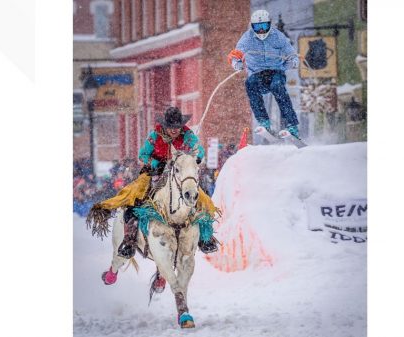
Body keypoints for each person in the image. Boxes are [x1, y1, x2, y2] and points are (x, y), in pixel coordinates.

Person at [88, 107, 219, 259]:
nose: (174, 130)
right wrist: (157, 163)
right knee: (134, 199)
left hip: (180, 175)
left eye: (177, 127)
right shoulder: (155, 136)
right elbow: (142, 155)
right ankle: (129, 240)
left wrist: (193, 157)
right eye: (171, 127)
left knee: (204, 201)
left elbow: (200, 151)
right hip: (154, 172)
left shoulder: (188, 135)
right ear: (165, 125)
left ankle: (206, 238)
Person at [228, 9, 301, 139]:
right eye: (257, 27)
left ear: (269, 24)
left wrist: (293, 60)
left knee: (277, 86)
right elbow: (236, 53)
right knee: (250, 84)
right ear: (252, 26)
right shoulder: (247, 38)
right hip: (257, 73)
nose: (261, 30)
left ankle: (291, 124)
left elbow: (290, 52)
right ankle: (263, 121)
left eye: (264, 26)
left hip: (276, 71)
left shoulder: (277, 36)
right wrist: (236, 63)